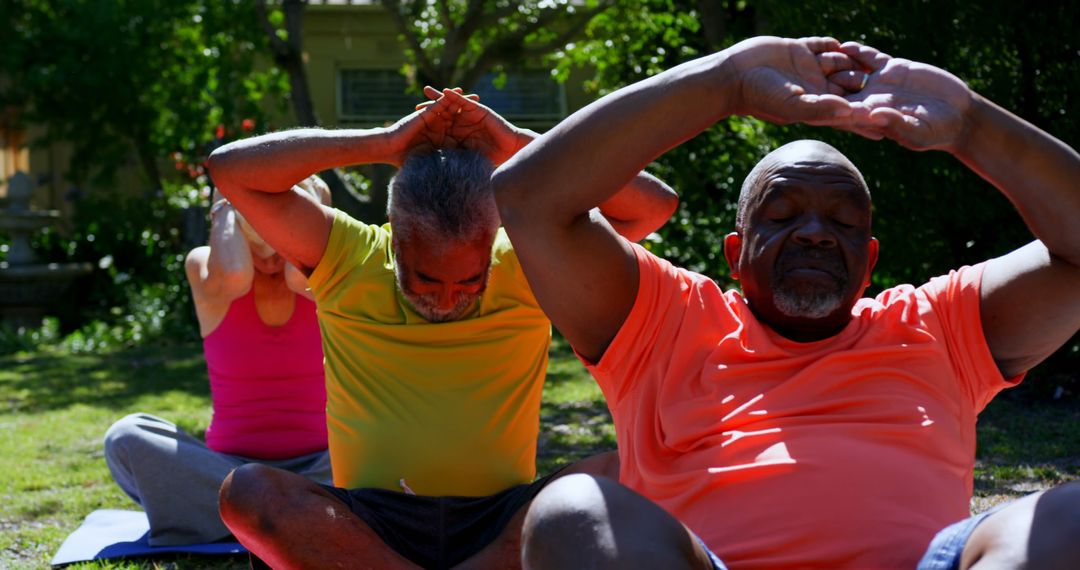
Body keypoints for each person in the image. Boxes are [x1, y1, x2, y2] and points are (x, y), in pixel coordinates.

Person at [487, 36, 1080, 569]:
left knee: (1069, 515)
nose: (816, 233)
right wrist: (727, 81)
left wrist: (972, 125)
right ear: (734, 253)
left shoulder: (941, 324)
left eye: (843, 221)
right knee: (567, 507)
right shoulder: (665, 321)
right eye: (783, 214)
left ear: (869, 261)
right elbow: (528, 198)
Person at [206, 87, 678, 568]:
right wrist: (382, 143)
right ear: (395, 228)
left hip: (500, 523)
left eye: (471, 279)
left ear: (491, 240)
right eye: (427, 278)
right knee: (249, 491)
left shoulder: (525, 262)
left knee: (625, 471)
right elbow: (231, 170)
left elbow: (652, 207)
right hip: (371, 525)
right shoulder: (349, 256)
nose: (448, 298)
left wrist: (519, 144)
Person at [103, 176, 333, 546]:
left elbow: (296, 272)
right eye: (258, 238)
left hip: (322, 468)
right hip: (229, 476)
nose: (273, 254)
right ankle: (296, 516)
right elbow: (234, 275)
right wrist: (228, 195)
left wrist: (314, 204)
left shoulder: (320, 275)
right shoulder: (204, 267)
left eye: (282, 234)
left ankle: (245, 518)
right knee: (127, 436)